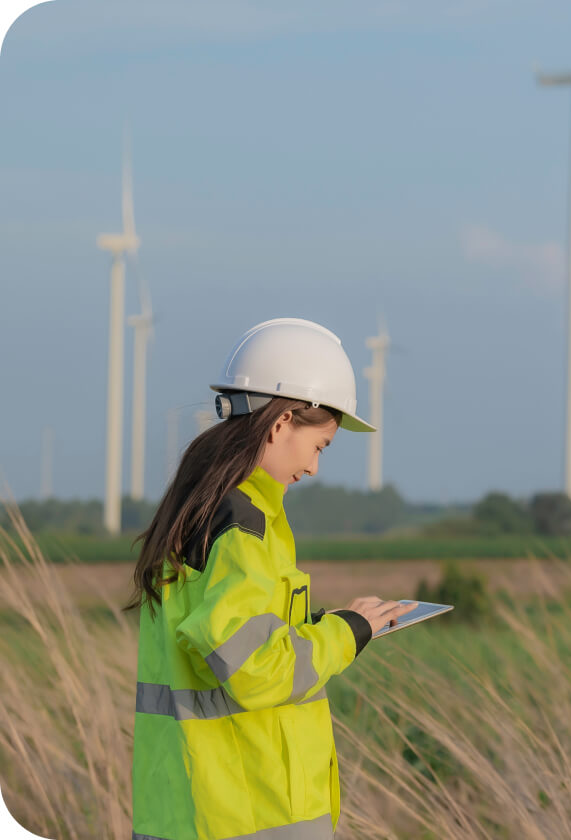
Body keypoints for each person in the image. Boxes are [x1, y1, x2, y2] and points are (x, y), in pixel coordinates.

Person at [125, 318, 416, 840]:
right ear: (281, 423)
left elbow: (228, 641)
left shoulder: (203, 510)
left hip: (187, 807)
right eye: (320, 445)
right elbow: (253, 668)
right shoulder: (243, 525)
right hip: (248, 811)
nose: (315, 467)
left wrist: (334, 623)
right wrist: (343, 636)